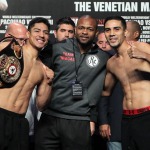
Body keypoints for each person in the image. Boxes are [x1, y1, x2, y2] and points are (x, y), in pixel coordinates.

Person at [35, 15, 109, 150]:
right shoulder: (56, 49)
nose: (85, 32)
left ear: (96, 33)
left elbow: (103, 91)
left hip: (79, 120)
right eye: (81, 28)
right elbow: (34, 63)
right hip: (50, 118)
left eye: (89, 29)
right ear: (75, 30)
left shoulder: (104, 57)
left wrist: (93, 118)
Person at [0, 17, 54, 150]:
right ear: (28, 34)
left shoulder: (43, 69)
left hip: (20, 122)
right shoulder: (9, 48)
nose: (41, 35)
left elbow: (41, 105)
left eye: (45, 32)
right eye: (37, 31)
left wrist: (49, 82)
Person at [102, 16, 150, 150]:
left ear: (125, 32)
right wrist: (103, 120)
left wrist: (145, 55)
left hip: (147, 116)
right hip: (127, 119)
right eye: (107, 30)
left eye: (116, 29)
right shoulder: (111, 63)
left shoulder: (142, 47)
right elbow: (105, 92)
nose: (111, 33)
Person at [97, 30, 123, 150]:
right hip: (111, 125)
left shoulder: (117, 61)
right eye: (100, 42)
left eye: (106, 42)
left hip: (131, 123)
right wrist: (103, 121)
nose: (103, 46)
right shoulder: (95, 63)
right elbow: (104, 94)